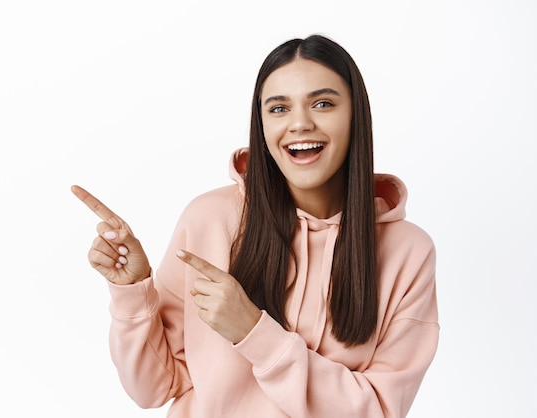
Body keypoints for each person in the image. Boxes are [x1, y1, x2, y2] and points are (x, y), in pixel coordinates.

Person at [72, 34, 439, 418]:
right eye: (278, 108)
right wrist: (133, 290)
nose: (300, 123)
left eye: (323, 103)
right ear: (261, 124)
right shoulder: (209, 218)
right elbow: (154, 387)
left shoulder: (407, 251)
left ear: (356, 116)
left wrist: (254, 332)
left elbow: (378, 410)